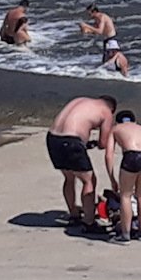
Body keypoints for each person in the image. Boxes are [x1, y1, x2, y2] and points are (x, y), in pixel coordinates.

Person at [46, 95, 118, 227]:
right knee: (89, 180)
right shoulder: (106, 112)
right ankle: (89, 221)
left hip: (53, 138)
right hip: (71, 141)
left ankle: (73, 213)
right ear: (112, 108)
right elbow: (103, 143)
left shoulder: (81, 101)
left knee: (69, 177)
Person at [105, 109, 141, 244]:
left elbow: (109, 155)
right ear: (134, 121)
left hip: (131, 156)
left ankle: (125, 234)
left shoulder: (116, 129)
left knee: (125, 195)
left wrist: (112, 178)